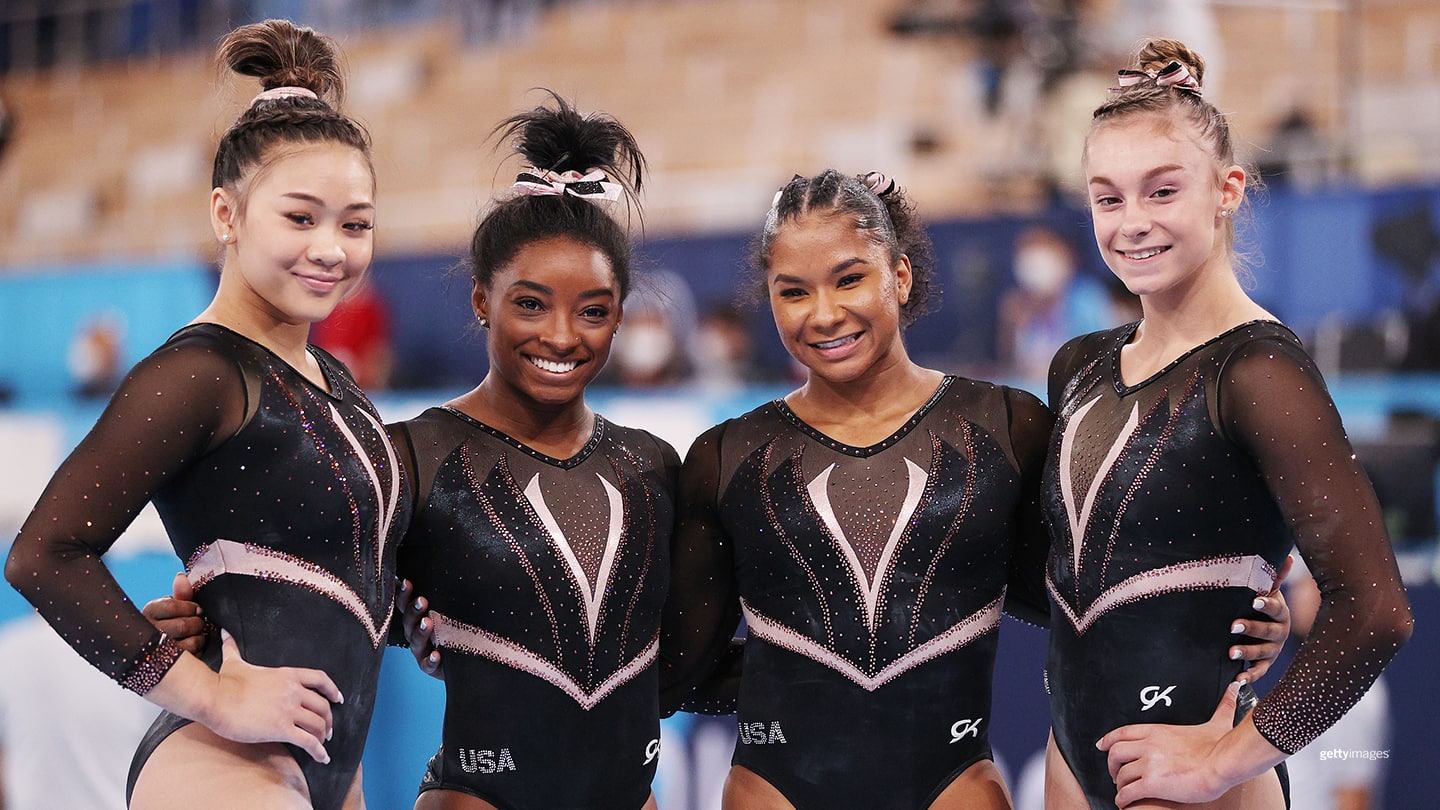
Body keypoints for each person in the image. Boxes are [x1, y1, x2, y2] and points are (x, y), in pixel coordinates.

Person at [657, 170, 1290, 809]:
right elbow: (675, 669)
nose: (824, 314)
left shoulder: (1006, 429)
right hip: (775, 789)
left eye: (850, 279)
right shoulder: (727, 457)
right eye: (793, 292)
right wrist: (797, 679)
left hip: (951, 785)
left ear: (898, 277)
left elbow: (1090, 599)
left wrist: (1225, 619)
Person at [4, 19, 409, 810]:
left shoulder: (332, 379)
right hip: (227, 766)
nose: (332, 248)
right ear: (226, 215)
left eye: (354, 223)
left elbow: (348, 580)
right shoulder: (200, 372)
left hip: (326, 768)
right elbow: (44, 556)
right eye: (300, 217)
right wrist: (207, 693)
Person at [1041, 39, 1413, 809]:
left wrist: (1225, 763)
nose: (1131, 222)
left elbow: (1376, 609)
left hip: (1193, 779)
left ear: (1227, 190)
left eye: (1162, 191)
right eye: (1108, 198)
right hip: (1070, 762)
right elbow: (1075, 570)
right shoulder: (1078, 363)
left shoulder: (1258, 372)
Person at [393, 92, 677, 810]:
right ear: (482, 299)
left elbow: (686, 661)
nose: (561, 336)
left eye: (593, 311)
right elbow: (323, 605)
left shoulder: (652, 467)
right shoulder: (413, 456)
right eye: (529, 303)